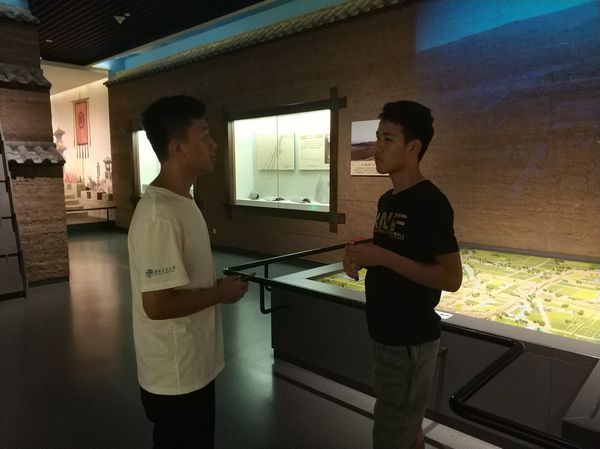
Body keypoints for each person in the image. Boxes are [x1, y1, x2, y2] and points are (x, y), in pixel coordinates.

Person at [128, 95, 249, 449]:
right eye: (205, 134)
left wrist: (212, 286)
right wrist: (218, 293)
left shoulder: (183, 201)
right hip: (175, 375)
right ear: (177, 148)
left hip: (193, 366)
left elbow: (181, 283)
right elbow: (156, 305)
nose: (214, 144)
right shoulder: (159, 215)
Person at [344, 101, 462, 449]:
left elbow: (450, 278)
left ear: (414, 147)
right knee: (405, 428)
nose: (377, 147)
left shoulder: (431, 203)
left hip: (409, 340)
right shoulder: (388, 200)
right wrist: (360, 258)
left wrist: (381, 256)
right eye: (377, 137)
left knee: (391, 432)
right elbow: (396, 255)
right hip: (386, 334)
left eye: (388, 139)